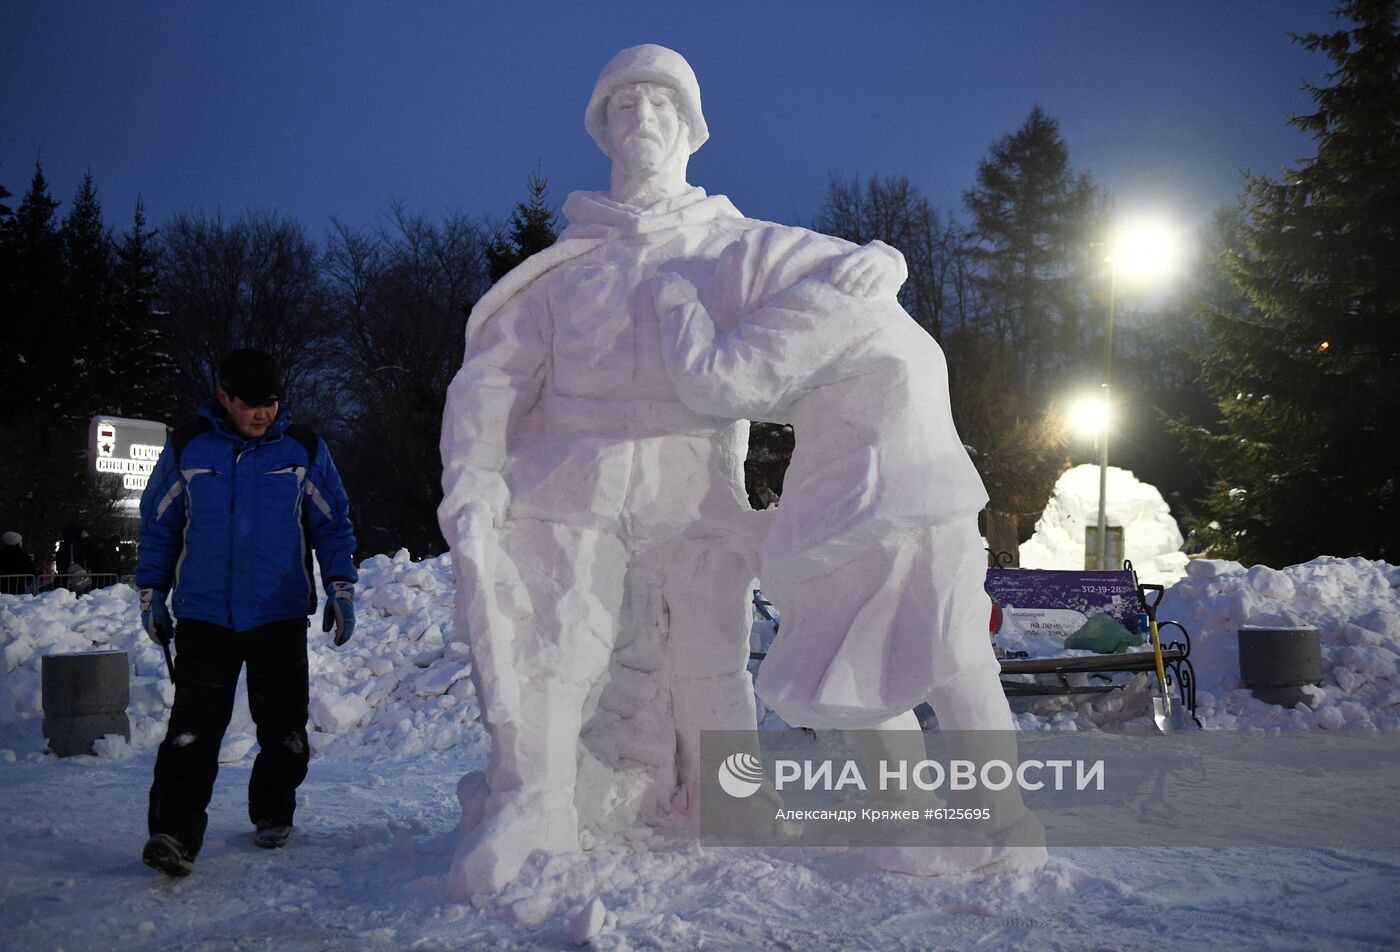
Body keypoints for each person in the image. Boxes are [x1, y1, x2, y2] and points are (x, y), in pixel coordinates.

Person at [437, 44, 896, 896]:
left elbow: (844, 276)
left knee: (712, 664)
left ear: (691, 130)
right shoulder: (563, 270)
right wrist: (471, 481)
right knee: (557, 647)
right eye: (623, 107)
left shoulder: (735, 248)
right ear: (602, 131)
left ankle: (729, 805)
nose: (639, 119)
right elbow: (490, 381)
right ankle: (535, 806)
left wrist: (888, 260)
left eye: (658, 107)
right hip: (574, 483)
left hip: (696, 489)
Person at [651, 225, 1046, 873]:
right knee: (951, 658)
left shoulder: (821, 301)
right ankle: (1000, 823)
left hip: (873, 508)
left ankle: (916, 820)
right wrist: (887, 257)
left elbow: (721, 381)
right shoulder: (873, 304)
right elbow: (787, 385)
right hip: (932, 498)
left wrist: (677, 308)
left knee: (858, 665)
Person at [135, 348, 358, 877]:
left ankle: (273, 810)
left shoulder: (302, 448)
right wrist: (153, 595)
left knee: (284, 730)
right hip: (205, 614)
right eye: (251, 404)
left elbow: (332, 522)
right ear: (224, 397)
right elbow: (159, 524)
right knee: (191, 731)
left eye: (271, 403)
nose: (263, 414)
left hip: (278, 613)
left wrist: (341, 588)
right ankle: (174, 834)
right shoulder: (189, 446)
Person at [0, 531, 37, 595]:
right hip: (18, 585)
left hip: (3, 585)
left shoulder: (2, 554)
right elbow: (30, 568)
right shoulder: (22, 555)